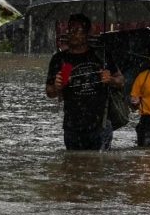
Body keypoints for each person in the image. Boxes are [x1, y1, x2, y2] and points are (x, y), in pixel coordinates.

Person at [45, 14, 124, 150]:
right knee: (74, 166)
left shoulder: (100, 56)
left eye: (77, 30)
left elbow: (121, 81)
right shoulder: (62, 59)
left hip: (100, 125)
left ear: (87, 33)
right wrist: (58, 86)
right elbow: (50, 92)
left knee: (98, 166)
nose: (71, 34)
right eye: (70, 29)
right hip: (72, 126)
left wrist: (110, 80)